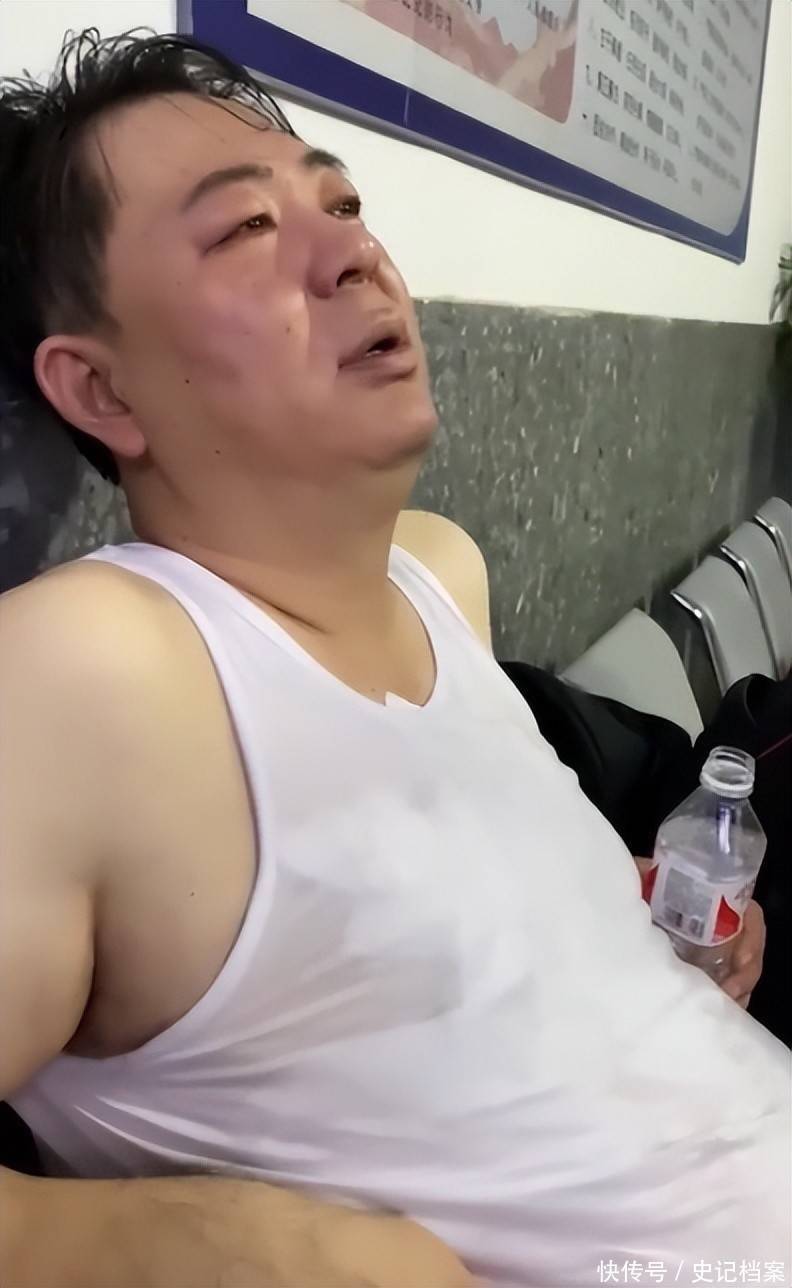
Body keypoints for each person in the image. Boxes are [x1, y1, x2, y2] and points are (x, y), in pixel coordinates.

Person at [0, 31, 788, 1288]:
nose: (353, 252)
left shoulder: (439, 573)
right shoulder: (87, 671)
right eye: (245, 229)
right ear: (100, 392)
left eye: (343, 202)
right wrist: (216, 1244)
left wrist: (635, 941)